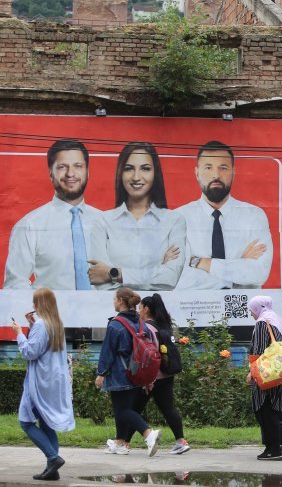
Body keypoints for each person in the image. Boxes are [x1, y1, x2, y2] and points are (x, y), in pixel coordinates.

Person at [4, 139, 102, 290]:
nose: (71, 173)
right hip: (50, 313)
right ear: (51, 173)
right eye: (62, 167)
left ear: (87, 172)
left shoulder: (107, 223)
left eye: (78, 166)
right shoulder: (29, 225)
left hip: (104, 313)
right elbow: (15, 285)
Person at [88, 142, 187, 291]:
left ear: (155, 173)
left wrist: (113, 273)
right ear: (121, 173)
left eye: (145, 169)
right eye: (129, 169)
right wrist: (158, 270)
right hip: (113, 310)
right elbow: (100, 282)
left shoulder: (174, 221)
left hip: (158, 311)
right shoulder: (102, 221)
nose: (136, 177)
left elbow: (170, 279)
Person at [176, 140, 272, 290]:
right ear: (197, 173)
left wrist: (200, 262)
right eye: (208, 167)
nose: (216, 175)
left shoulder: (254, 216)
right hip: (194, 308)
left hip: (242, 309)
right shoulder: (179, 218)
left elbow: (259, 273)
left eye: (223, 168)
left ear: (233, 173)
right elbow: (181, 279)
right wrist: (239, 264)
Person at [11, 288, 75, 481]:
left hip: (40, 381)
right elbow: (43, 347)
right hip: (54, 381)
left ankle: (53, 458)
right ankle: (52, 470)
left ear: (40, 304)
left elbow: (30, 352)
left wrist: (19, 334)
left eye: (35, 302)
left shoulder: (41, 325)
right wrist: (32, 327)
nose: (33, 306)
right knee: (46, 423)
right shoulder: (56, 324)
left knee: (26, 421)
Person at [120, 293, 190, 455]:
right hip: (166, 375)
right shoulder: (162, 326)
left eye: (139, 308)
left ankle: (124, 443)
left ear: (146, 308)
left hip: (152, 378)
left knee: (134, 409)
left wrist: (147, 379)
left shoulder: (147, 328)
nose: (138, 311)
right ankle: (181, 441)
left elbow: (150, 355)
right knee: (168, 408)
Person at [95, 287, 162, 457]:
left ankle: (148, 434)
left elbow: (107, 351)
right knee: (123, 408)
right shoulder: (141, 323)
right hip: (137, 372)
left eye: (114, 299)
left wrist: (101, 373)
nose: (114, 302)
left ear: (120, 301)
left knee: (122, 410)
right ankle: (120, 444)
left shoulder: (116, 324)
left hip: (120, 372)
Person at [245, 295, 282, 462]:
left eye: (252, 310)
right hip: (279, 373)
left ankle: (273, 449)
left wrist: (252, 372)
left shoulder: (262, 324)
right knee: (274, 410)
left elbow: (257, 351)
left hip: (266, 374)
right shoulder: (277, 321)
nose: (251, 314)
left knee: (265, 410)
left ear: (258, 308)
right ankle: (274, 447)